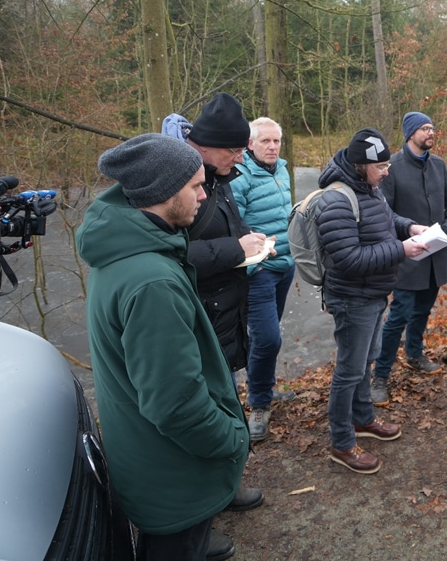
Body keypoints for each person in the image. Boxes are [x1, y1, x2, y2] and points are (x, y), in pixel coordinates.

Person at [77, 134, 250, 561]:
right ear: (162, 193)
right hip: (172, 475)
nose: (204, 193)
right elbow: (174, 403)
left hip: (148, 459)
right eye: (194, 186)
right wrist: (231, 439)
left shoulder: (125, 248)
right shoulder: (151, 281)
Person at [315, 128, 427, 474]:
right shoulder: (335, 200)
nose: (387, 172)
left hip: (374, 293)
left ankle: (363, 418)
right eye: (380, 166)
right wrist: (402, 250)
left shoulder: (370, 188)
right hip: (352, 298)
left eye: (387, 164)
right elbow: (348, 258)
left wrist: (408, 228)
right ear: (360, 165)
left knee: (367, 360)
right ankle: (341, 441)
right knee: (349, 371)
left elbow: (385, 220)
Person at [180, 93, 266, 516]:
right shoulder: (180, 186)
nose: (240, 158)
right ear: (207, 145)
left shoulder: (218, 180)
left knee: (223, 408)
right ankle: (199, 505)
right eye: (235, 150)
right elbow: (172, 255)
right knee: (202, 415)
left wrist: (253, 240)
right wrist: (236, 248)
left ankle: (222, 487)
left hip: (223, 317)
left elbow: (227, 227)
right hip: (196, 321)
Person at [371, 111, 447, 405]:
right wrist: (412, 233)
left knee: (423, 309)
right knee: (399, 315)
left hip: (437, 255)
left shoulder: (438, 165)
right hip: (407, 257)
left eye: (432, 128)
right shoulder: (392, 168)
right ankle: (380, 375)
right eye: (425, 128)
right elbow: (385, 212)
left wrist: (445, 230)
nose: (431, 132)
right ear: (411, 134)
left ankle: (414, 354)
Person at [230, 117, 297, 443]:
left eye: (276, 141)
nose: (272, 147)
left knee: (265, 337)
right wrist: (255, 262)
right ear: (250, 145)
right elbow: (235, 225)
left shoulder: (281, 170)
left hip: (285, 267)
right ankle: (258, 404)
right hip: (258, 272)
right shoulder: (240, 176)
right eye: (265, 141)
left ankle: (264, 388)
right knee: (268, 338)